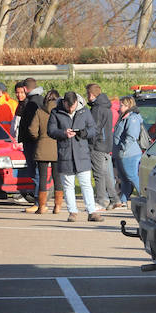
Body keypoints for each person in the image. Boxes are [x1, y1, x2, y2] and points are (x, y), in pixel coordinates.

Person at [47, 90, 101, 222]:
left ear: (77, 102)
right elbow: (51, 131)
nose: (71, 109)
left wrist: (84, 133)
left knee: (86, 184)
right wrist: (63, 133)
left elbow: (94, 129)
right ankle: (72, 212)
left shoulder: (85, 111)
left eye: (73, 106)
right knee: (68, 185)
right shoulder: (55, 112)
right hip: (65, 153)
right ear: (64, 102)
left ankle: (92, 212)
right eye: (68, 106)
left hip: (82, 153)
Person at [27, 90, 62, 215]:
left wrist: (38, 137)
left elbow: (32, 129)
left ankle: (42, 206)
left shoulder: (40, 111)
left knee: (42, 178)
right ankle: (57, 206)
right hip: (57, 148)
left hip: (42, 147)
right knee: (57, 177)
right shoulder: (60, 112)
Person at [85, 83, 115, 211]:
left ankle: (101, 200)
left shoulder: (97, 109)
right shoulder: (106, 106)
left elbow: (95, 129)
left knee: (98, 174)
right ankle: (114, 199)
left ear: (91, 95)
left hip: (98, 145)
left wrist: (87, 139)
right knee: (106, 173)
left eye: (87, 94)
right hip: (106, 144)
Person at [111, 95, 143, 206]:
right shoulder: (123, 117)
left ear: (128, 105)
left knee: (132, 176)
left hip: (129, 154)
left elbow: (131, 136)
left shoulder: (132, 118)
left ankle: (145, 197)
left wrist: (123, 149)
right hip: (120, 153)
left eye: (122, 105)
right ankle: (123, 201)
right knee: (124, 179)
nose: (120, 107)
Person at [16, 78, 44, 207]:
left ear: (26, 89)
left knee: (35, 172)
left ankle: (38, 201)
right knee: (39, 171)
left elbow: (30, 125)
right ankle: (39, 200)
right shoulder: (41, 100)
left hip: (32, 142)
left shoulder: (31, 103)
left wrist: (26, 138)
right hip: (39, 141)